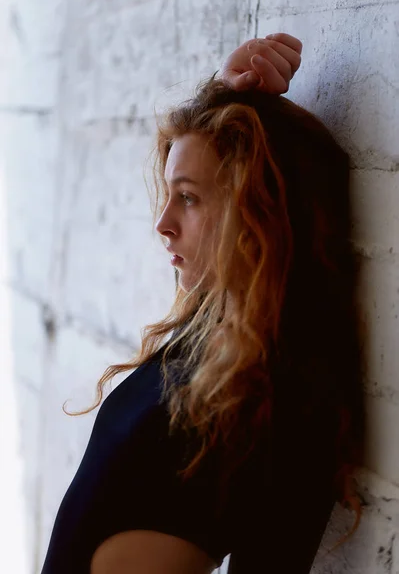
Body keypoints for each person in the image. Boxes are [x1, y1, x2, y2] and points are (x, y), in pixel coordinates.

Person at [40, 34, 365, 574]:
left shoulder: (285, 395)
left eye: (187, 198)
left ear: (258, 210)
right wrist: (220, 96)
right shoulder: (214, 330)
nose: (162, 223)